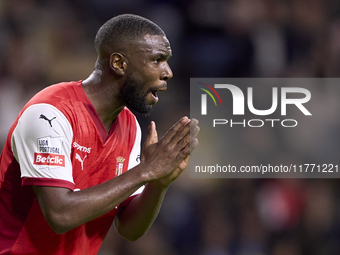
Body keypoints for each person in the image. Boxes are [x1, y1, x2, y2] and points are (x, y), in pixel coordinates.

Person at [0, 14, 199, 254]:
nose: (168, 72)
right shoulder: (50, 114)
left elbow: (129, 228)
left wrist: (158, 183)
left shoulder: (129, 125)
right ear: (119, 64)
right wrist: (146, 171)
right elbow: (60, 214)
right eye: (157, 60)